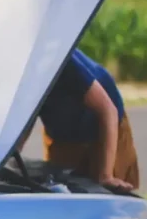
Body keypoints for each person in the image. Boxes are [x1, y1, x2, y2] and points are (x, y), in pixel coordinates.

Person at [20, 48, 140, 191]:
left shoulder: (61, 61)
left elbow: (108, 110)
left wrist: (106, 175)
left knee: (107, 191)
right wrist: (10, 157)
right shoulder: (18, 74)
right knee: (61, 188)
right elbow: (26, 120)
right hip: (63, 136)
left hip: (105, 127)